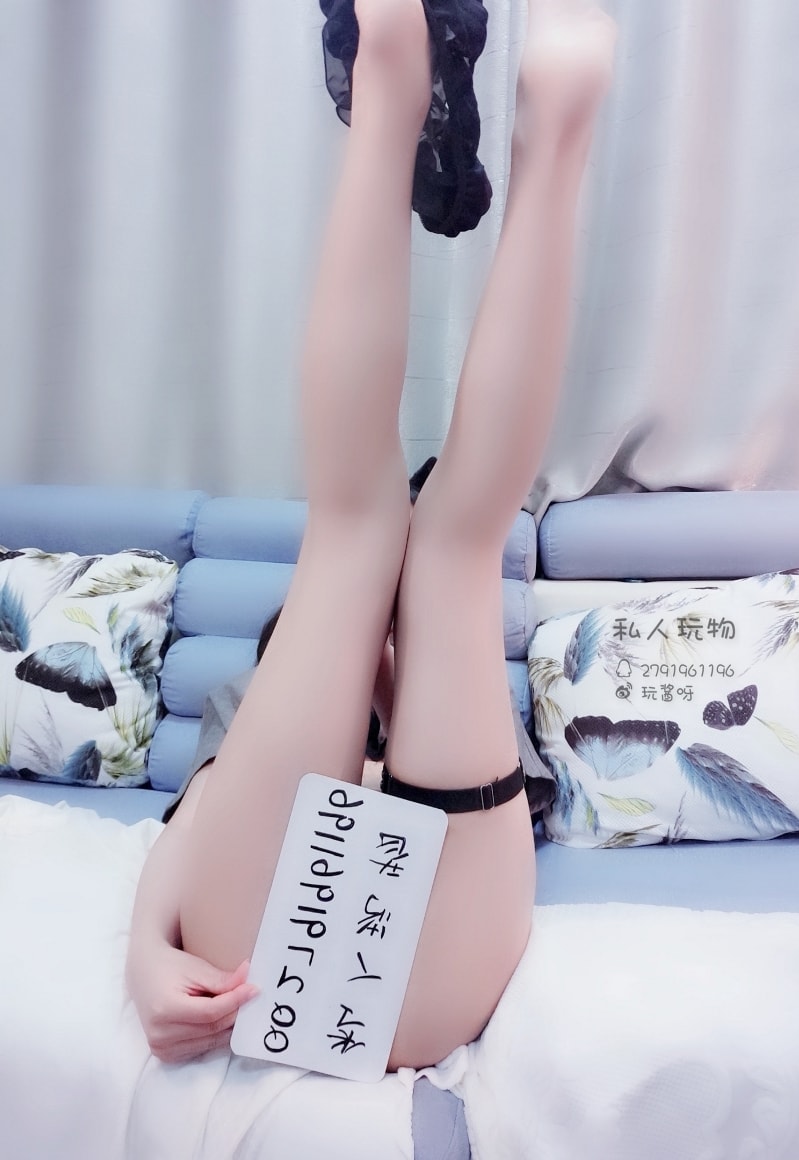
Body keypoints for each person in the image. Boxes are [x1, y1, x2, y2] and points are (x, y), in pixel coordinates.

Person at [126, 0, 616, 1072]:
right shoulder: (254, 696)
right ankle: (523, 115)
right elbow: (186, 819)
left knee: (375, 534)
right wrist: (143, 953)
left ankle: (410, 93)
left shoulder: (276, 693)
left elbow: (195, 832)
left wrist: (145, 951)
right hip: (415, 952)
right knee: (441, 549)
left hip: (279, 955)